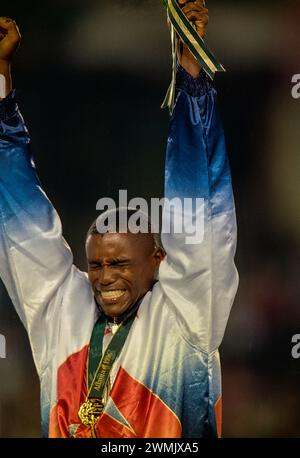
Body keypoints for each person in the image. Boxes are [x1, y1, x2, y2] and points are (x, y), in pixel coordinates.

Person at [0, 0, 238, 438]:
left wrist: (191, 74)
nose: (105, 278)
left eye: (121, 264)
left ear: (160, 261)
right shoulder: (61, 313)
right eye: (96, 265)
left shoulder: (186, 315)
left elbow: (200, 212)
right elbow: (17, 211)